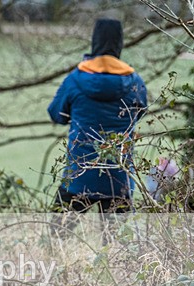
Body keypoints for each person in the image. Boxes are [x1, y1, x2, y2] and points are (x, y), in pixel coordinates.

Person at [48, 18, 148, 214]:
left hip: (79, 175)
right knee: (118, 242)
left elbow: (56, 114)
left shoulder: (76, 78)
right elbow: (140, 112)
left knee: (57, 238)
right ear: (120, 43)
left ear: (94, 41)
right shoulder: (134, 81)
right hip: (119, 178)